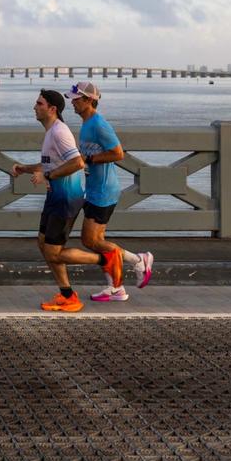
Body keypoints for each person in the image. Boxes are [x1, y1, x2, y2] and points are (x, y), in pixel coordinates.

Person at [9, 90, 121, 312]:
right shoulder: (51, 132)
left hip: (66, 199)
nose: (34, 107)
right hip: (55, 197)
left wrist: (47, 176)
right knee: (43, 244)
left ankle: (104, 259)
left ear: (52, 109)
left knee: (53, 252)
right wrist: (26, 169)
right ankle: (67, 294)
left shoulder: (59, 133)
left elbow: (78, 163)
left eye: (39, 103)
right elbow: (52, 164)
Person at [66, 82, 154, 300]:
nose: (72, 103)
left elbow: (118, 153)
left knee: (91, 241)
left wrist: (90, 159)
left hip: (104, 190)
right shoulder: (86, 124)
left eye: (76, 99)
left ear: (88, 100)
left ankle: (138, 260)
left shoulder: (98, 124)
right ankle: (115, 287)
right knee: (96, 240)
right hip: (95, 188)